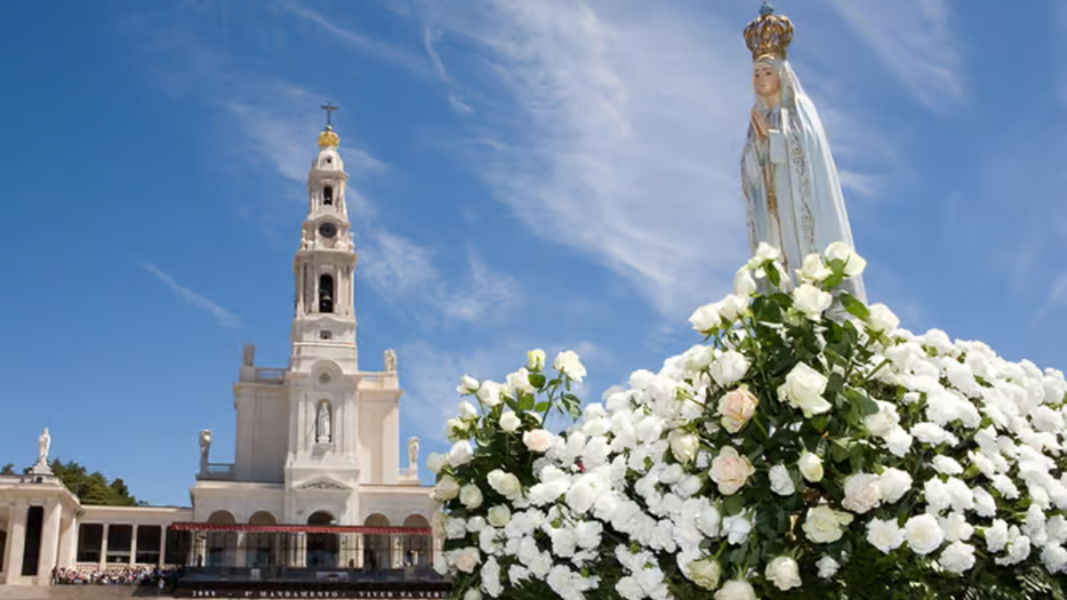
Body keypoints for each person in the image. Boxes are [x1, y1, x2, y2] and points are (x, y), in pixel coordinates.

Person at [740, 3, 866, 302]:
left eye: (767, 72)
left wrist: (772, 139)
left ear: (781, 76)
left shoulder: (798, 110)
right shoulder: (757, 118)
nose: (760, 79)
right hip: (771, 208)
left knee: (803, 261)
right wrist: (757, 147)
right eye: (756, 73)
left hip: (798, 205)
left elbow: (807, 148)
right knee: (775, 262)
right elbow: (749, 169)